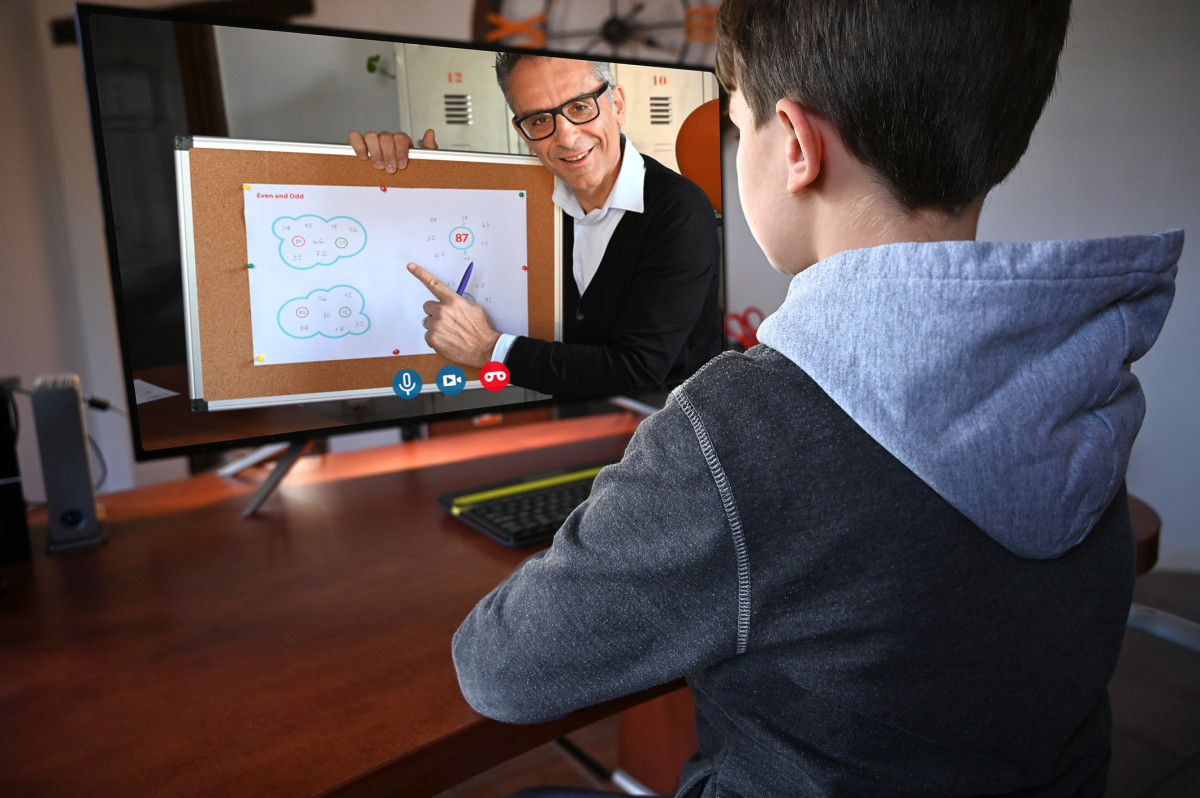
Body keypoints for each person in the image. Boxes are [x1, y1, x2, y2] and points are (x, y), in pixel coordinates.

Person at [450, 1, 1184, 796]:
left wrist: (494, 361)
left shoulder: (734, 410)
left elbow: (499, 668)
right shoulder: (1082, 363)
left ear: (795, 145)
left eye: (737, 126)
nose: (563, 135)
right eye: (536, 122)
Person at [350, 55, 721, 398]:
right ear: (523, 133)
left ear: (617, 104)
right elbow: (451, 242)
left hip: (671, 444)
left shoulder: (678, 210)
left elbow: (637, 369)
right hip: (571, 429)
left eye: (580, 106)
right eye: (540, 120)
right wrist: (410, 178)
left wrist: (487, 348)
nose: (567, 137)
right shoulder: (528, 200)